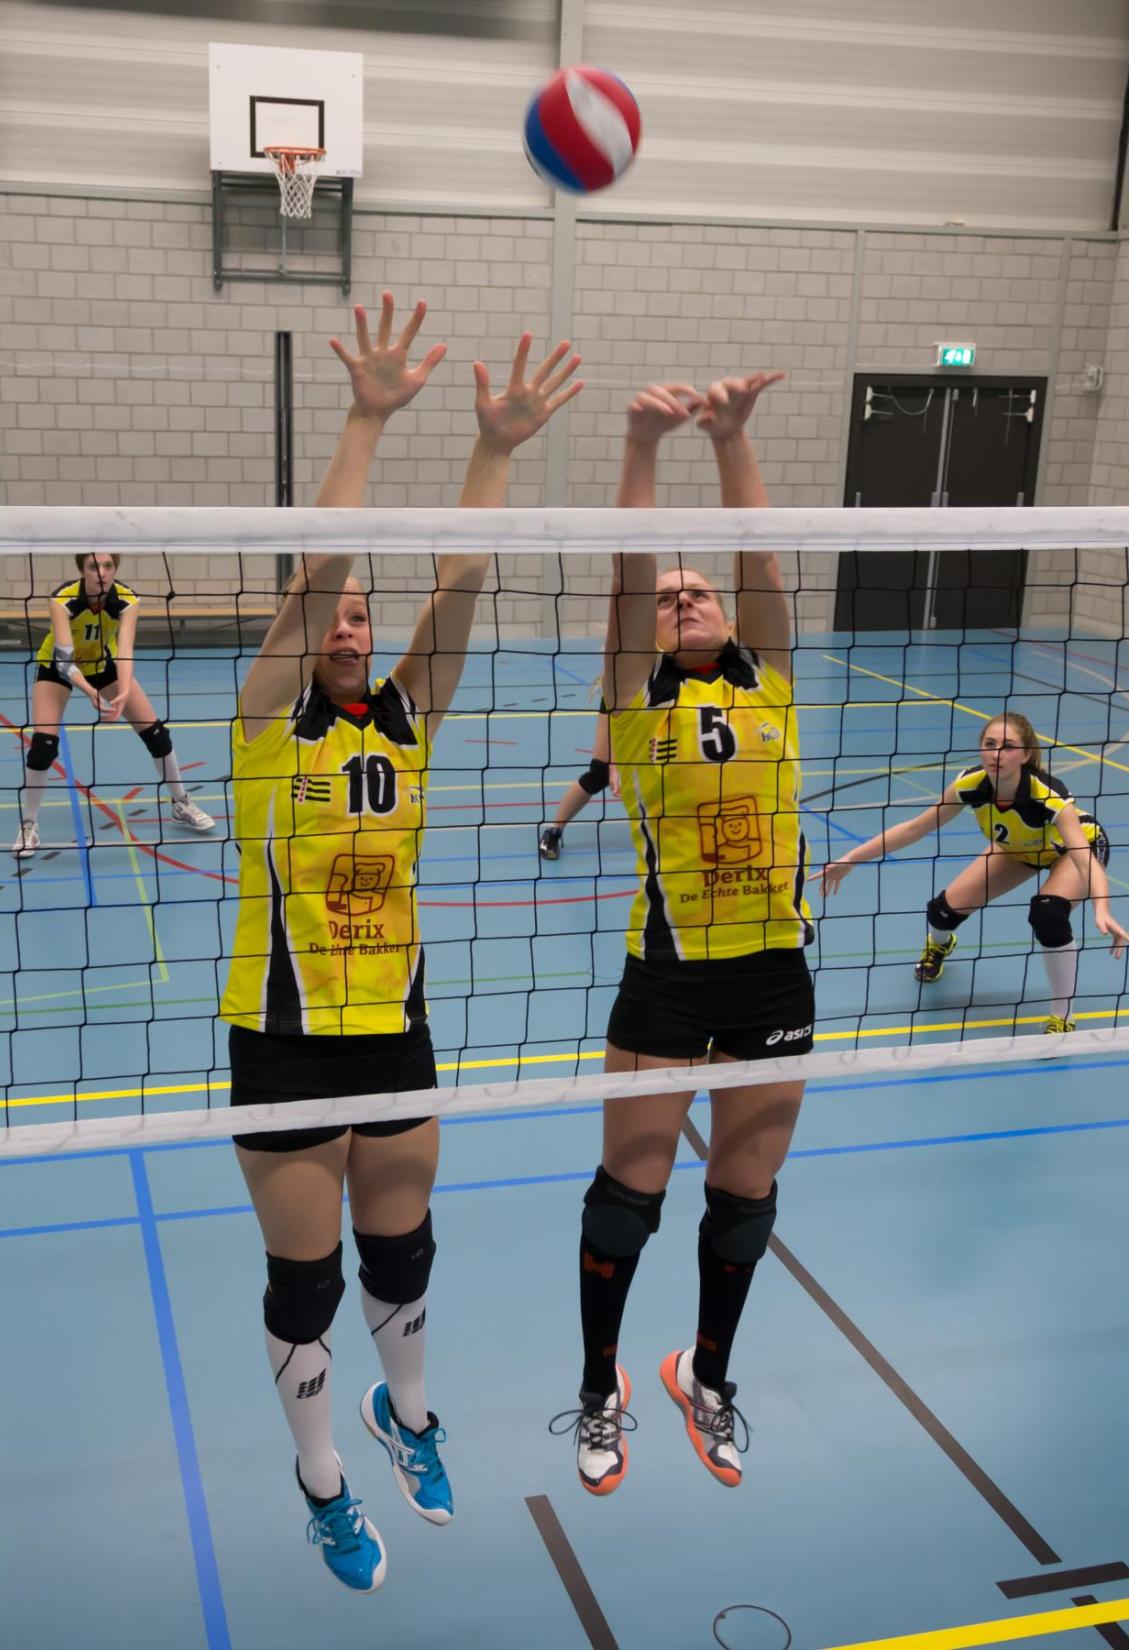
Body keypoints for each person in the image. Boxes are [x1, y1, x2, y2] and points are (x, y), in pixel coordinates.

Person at [223, 293, 580, 1593]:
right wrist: (368, 421)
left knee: (402, 1249)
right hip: (283, 1035)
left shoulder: (408, 715)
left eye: (364, 615)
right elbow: (316, 573)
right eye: (336, 614)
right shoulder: (268, 723)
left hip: (397, 1025)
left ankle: (408, 1414)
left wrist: (494, 449)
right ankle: (323, 1480)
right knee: (306, 1283)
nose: (350, 624)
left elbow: (461, 582)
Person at [556, 371, 807, 1498]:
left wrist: (732, 439)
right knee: (628, 1200)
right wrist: (644, 446)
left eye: (698, 591)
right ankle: (597, 1386)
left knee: (744, 1205)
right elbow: (624, 577)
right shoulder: (633, 701)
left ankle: (705, 1376)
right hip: (666, 974)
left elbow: (763, 562)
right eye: (670, 597)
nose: (685, 599)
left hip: (772, 973)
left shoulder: (773, 686)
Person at [820, 712, 1129, 1031]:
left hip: (1074, 849)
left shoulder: (1048, 795)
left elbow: (1083, 857)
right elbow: (915, 828)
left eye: (1008, 746)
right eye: (990, 744)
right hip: (1018, 848)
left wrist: (1101, 908)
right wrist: (851, 859)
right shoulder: (969, 785)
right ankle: (939, 944)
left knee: (1048, 914)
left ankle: (1063, 1016)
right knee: (942, 911)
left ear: (1025, 755)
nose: (997, 754)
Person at [14, 550, 214, 857]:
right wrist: (89, 691)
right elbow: (64, 660)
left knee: (156, 733)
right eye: (94, 566)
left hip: (103, 664)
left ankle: (181, 803)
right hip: (57, 668)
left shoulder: (126, 600)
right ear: (82, 569)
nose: (102, 573)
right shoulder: (63, 600)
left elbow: (125, 650)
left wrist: (123, 690)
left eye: (108, 566)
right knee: (43, 744)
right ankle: (29, 824)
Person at [536, 686, 616, 860]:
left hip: (667, 696)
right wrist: (614, 764)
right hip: (623, 698)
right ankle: (554, 831)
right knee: (600, 773)